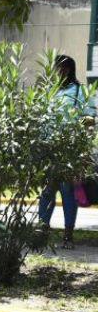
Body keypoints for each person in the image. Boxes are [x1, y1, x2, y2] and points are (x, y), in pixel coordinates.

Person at [38, 55, 95, 247]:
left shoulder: (79, 91)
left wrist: (83, 151)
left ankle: (68, 235)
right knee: (47, 192)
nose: (58, 71)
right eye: (56, 68)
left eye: (62, 68)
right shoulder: (50, 91)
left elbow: (89, 121)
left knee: (68, 192)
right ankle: (42, 233)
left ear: (69, 69)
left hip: (69, 151)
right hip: (49, 150)